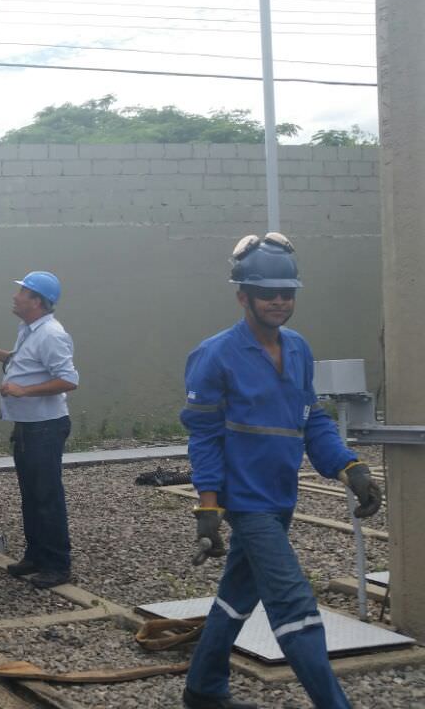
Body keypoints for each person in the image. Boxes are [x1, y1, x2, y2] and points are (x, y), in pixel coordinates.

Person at [179, 233, 382, 709]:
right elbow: (203, 437)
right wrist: (208, 507)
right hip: (247, 503)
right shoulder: (214, 355)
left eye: (287, 292)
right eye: (267, 292)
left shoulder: (298, 349)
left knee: (237, 595)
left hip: (282, 497)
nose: (279, 301)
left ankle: (203, 690)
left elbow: (312, 421)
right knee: (294, 604)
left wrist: (350, 467)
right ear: (242, 296)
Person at [0, 271, 79, 590]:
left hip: (45, 427)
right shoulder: (29, 330)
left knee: (47, 496)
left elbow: (69, 380)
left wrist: (23, 391)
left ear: (38, 302)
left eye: (23, 292)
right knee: (31, 495)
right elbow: (22, 362)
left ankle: (57, 564)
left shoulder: (52, 335)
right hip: (29, 427)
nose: (16, 297)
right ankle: (36, 556)